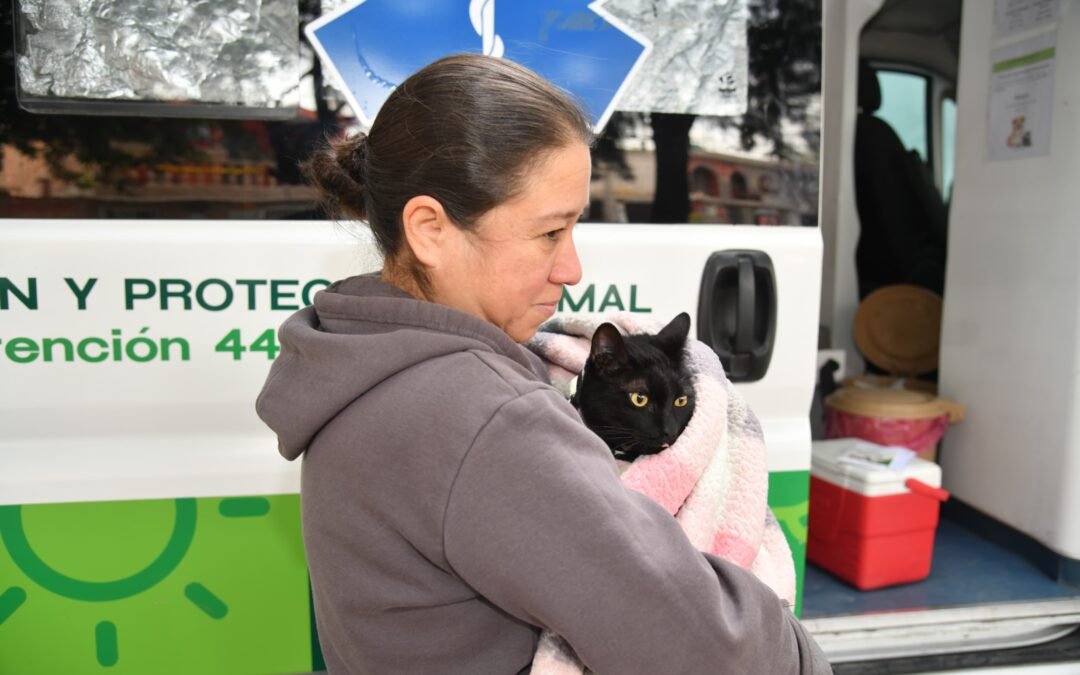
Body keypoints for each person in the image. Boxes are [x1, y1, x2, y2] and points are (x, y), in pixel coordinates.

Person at [256, 54, 832, 674]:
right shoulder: (483, 419)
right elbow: (708, 647)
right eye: (549, 233)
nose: (571, 268)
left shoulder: (363, 361)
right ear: (429, 230)